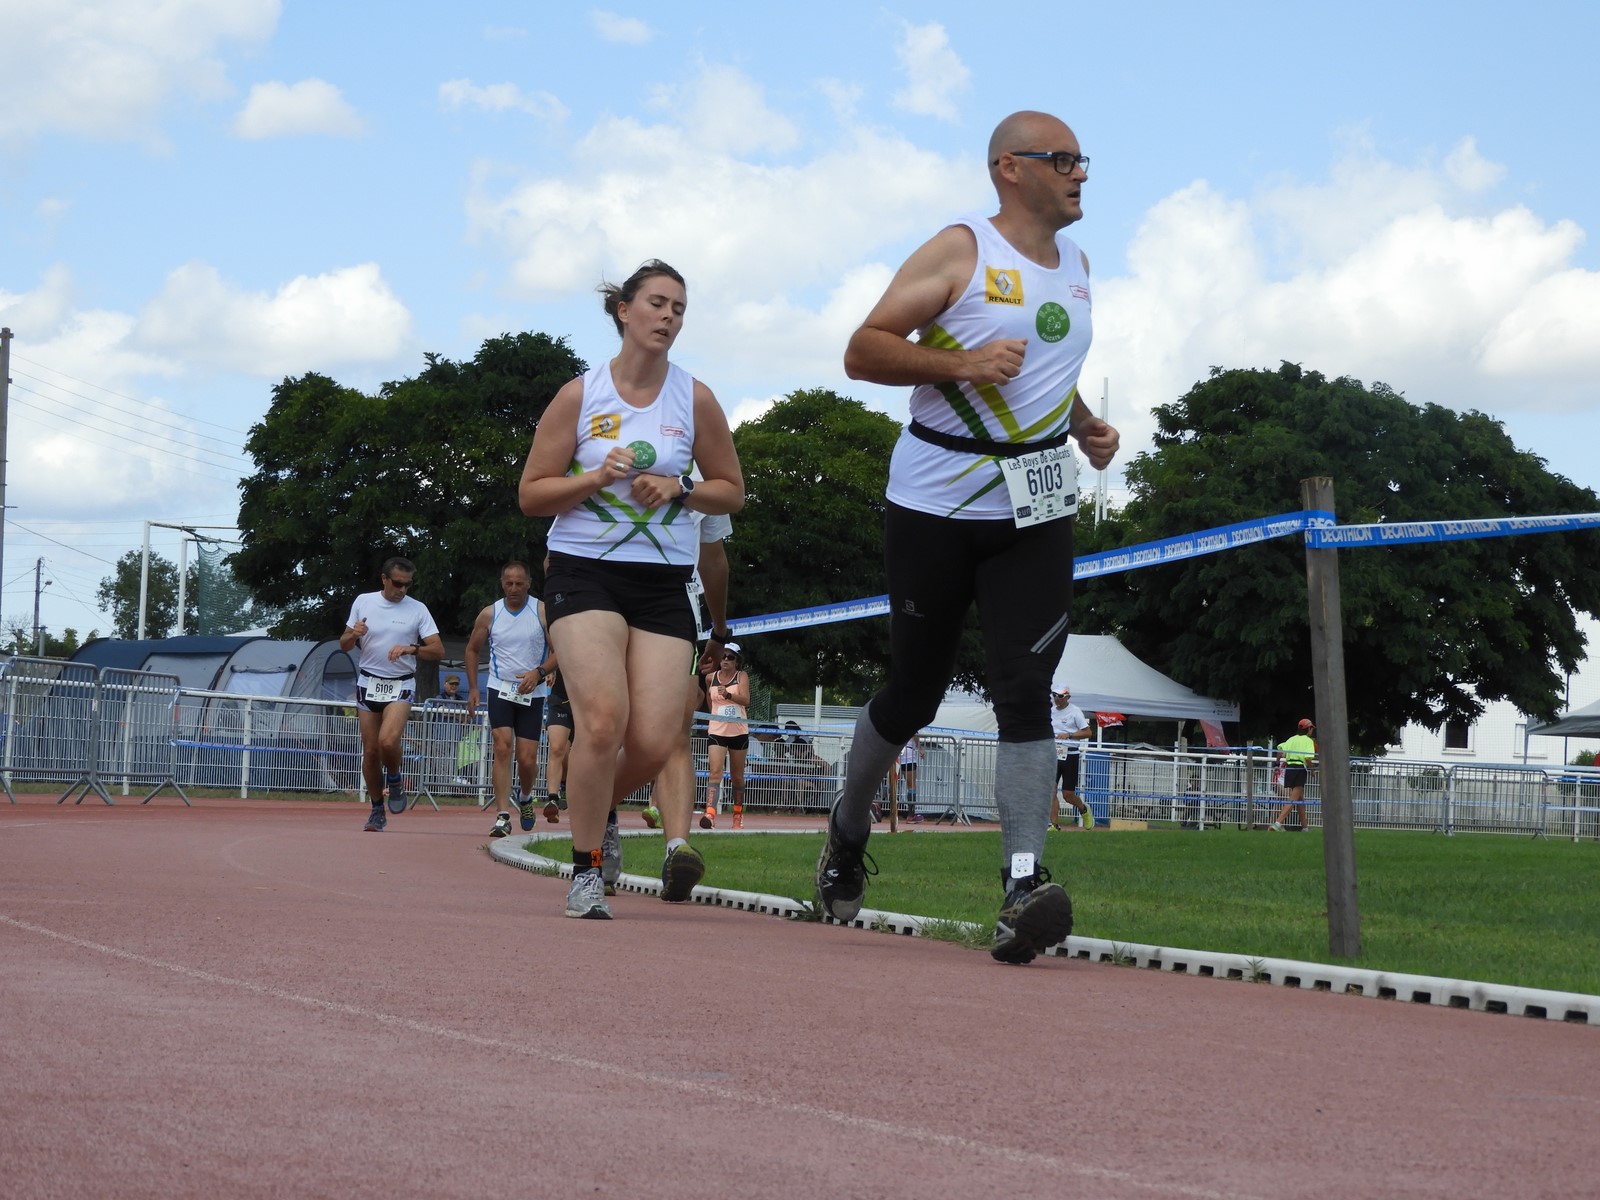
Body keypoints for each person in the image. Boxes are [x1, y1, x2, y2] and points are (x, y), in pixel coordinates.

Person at [819, 110, 1120, 964]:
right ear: (1009, 169)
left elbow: (1046, 375)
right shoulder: (962, 250)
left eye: (1083, 160)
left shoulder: (1079, 266)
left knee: (1026, 688)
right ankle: (847, 830)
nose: (1080, 173)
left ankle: (1022, 886)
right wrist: (960, 363)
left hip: (1035, 506)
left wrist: (1084, 425)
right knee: (912, 696)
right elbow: (863, 350)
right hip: (935, 506)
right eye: (1063, 159)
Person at [519, 259, 744, 919]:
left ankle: (597, 808)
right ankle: (587, 869)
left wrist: (682, 486)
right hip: (583, 569)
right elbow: (532, 494)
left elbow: (731, 490)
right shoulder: (579, 396)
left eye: (679, 307)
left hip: (661, 581)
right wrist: (593, 478)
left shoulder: (694, 398)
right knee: (601, 719)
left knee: (653, 741)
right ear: (624, 310)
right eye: (656, 303)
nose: (668, 316)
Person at [339, 556, 445, 831]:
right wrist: (354, 634)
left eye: (407, 585)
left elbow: (438, 650)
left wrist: (412, 649)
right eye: (397, 583)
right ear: (384, 579)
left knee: (388, 741)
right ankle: (377, 809)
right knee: (371, 751)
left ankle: (395, 779)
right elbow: (344, 644)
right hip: (368, 682)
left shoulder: (417, 609)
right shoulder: (363, 601)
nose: (402, 590)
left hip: (401, 684)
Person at [465, 561, 555, 838]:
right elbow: (472, 650)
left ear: (529, 583)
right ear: (502, 583)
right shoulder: (489, 614)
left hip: (533, 692)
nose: (513, 589)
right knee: (502, 747)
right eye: (508, 583)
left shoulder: (542, 611)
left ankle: (525, 797)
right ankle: (502, 816)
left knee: (527, 759)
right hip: (500, 687)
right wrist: (473, 688)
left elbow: (561, 651)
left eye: (519, 583)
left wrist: (540, 673)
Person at [702, 642, 751, 829]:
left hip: (738, 732)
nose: (725, 660)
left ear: (736, 660)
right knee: (715, 772)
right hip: (717, 731)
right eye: (723, 656)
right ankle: (710, 814)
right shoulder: (710, 678)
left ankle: (737, 815)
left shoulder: (741, 676)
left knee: (737, 777)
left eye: (730, 657)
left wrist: (729, 696)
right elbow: (710, 699)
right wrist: (715, 715)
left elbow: (746, 700)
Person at [1049, 686, 1093, 829]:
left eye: (1060, 696)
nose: (1057, 698)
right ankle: (1054, 824)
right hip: (1053, 755)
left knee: (1068, 795)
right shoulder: (1050, 711)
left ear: (1068, 697)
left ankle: (1083, 809)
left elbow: (1088, 733)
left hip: (1070, 755)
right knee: (1050, 791)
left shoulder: (1075, 712)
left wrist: (1069, 735)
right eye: (1054, 695)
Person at [1273, 719, 1317, 832]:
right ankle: (1277, 823)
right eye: (1311, 728)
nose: (1312, 730)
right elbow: (1307, 758)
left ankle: (1305, 828)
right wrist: (1312, 770)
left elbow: (1280, 749)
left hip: (1289, 768)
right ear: (1309, 729)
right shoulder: (1308, 741)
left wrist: (1277, 764)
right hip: (1299, 769)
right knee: (1293, 799)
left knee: (1300, 800)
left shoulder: (1291, 739)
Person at [889, 734, 922, 823]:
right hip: (908, 753)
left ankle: (892, 813)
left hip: (894, 752)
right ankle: (911, 815)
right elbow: (915, 733)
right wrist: (920, 748)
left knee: (892, 783)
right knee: (911, 785)